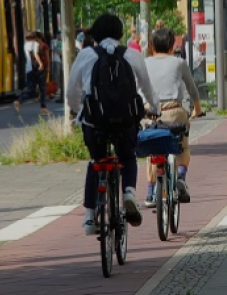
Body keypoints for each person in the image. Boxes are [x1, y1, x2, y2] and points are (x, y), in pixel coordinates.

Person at [67, 14, 161, 235]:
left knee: (96, 160)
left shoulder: (86, 55)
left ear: (95, 34)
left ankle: (90, 217)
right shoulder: (132, 55)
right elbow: (147, 88)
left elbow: (72, 91)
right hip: (125, 121)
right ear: (120, 33)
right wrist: (155, 109)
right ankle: (128, 192)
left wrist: (77, 110)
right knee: (127, 156)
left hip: (95, 122)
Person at [142, 27, 203, 207]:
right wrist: (197, 109)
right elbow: (192, 89)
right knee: (182, 144)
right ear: (171, 47)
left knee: (151, 145)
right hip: (174, 112)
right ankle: (181, 177)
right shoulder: (179, 63)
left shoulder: (144, 63)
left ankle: (150, 191)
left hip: (149, 113)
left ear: (152, 47)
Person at [14, 31, 50, 115]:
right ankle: (43, 108)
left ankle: (19, 100)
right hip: (38, 69)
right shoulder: (36, 44)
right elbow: (36, 54)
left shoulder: (25, 45)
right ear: (34, 38)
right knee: (42, 89)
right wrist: (41, 63)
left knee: (31, 88)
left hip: (29, 69)